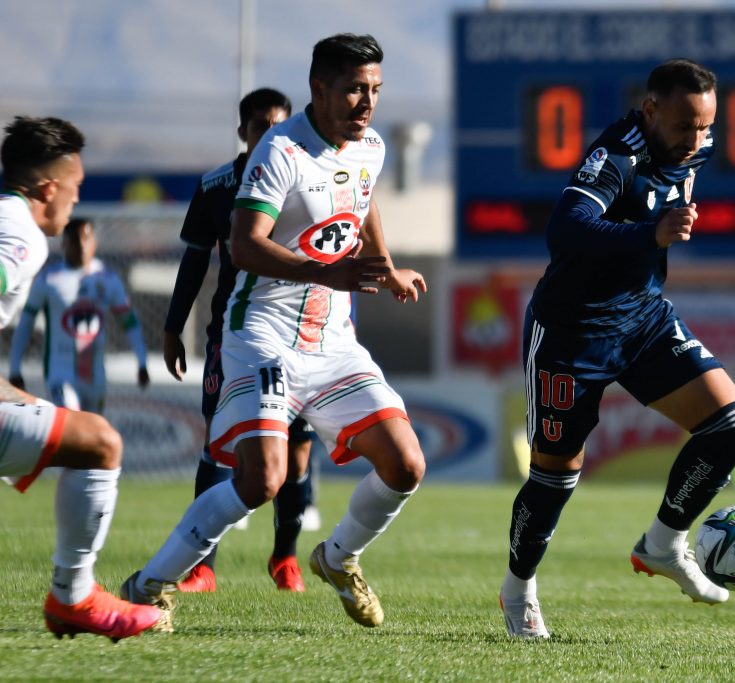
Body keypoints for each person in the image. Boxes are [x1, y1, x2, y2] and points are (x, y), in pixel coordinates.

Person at [120, 33, 428, 631]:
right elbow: (243, 246)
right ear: (318, 89)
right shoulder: (280, 151)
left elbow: (364, 207)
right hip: (261, 334)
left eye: (375, 91)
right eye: (354, 90)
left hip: (333, 342)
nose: (367, 103)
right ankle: (150, 583)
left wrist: (385, 271)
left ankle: (339, 559)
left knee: (406, 464)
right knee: (263, 478)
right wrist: (328, 271)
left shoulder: (370, 147)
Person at [499, 59, 735, 639]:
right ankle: (518, 590)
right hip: (570, 333)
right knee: (554, 480)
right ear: (650, 109)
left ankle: (664, 544)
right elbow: (565, 229)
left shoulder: (697, 148)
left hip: (642, 320)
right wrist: (651, 233)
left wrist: (653, 236)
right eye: (685, 124)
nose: (696, 139)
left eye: (705, 126)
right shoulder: (618, 153)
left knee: (731, 426)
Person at [0, 116, 163, 640]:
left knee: (85, 432)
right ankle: (73, 597)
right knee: (99, 442)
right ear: (49, 189)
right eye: (75, 190)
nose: (76, 203)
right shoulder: (21, 236)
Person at [162, 88, 320, 594]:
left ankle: (284, 558)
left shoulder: (305, 176)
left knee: (296, 455)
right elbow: (193, 263)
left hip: (297, 334)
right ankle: (203, 567)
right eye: (259, 128)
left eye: (277, 127)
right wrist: (171, 326)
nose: (268, 136)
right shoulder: (216, 186)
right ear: (242, 132)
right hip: (233, 334)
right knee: (217, 441)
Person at [9, 217, 150, 412]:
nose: (82, 245)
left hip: (95, 376)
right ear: (64, 243)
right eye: (75, 239)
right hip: (60, 373)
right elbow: (25, 324)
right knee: (70, 422)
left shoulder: (107, 278)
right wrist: (15, 367)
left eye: (87, 238)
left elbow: (128, 321)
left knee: (90, 436)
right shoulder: (48, 279)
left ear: (95, 242)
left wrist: (142, 360)